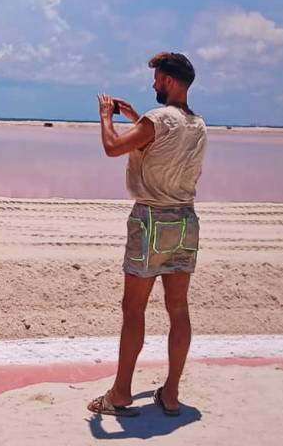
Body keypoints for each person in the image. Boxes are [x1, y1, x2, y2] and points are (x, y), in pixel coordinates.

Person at [88, 51, 207, 418]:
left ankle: (121, 393)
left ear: (169, 81)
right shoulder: (198, 123)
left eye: (157, 79)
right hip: (185, 221)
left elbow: (112, 147)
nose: (153, 84)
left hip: (151, 221)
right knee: (178, 309)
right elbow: (163, 141)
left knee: (134, 309)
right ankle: (170, 394)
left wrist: (106, 118)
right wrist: (135, 117)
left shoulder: (157, 120)